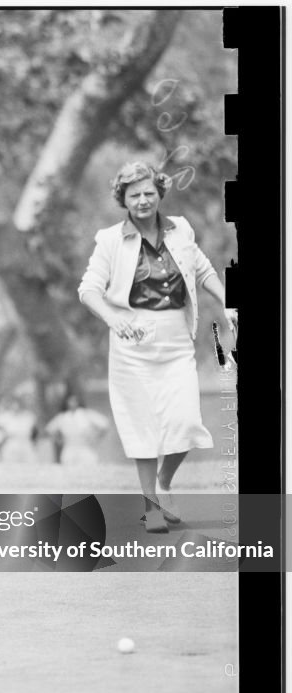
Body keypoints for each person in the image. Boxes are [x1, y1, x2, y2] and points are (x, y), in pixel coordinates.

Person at [78, 161, 236, 532]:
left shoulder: (180, 229)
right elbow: (88, 290)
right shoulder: (110, 240)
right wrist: (113, 319)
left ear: (159, 192)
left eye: (149, 192)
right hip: (132, 345)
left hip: (176, 339)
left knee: (185, 421)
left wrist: (227, 303)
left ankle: (165, 483)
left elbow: (202, 270)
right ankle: (150, 504)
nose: (143, 200)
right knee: (142, 428)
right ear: (124, 199)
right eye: (135, 195)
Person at [45, 393, 110, 466]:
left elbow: (104, 424)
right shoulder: (63, 416)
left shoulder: (86, 414)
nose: (72, 403)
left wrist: (96, 438)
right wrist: (59, 441)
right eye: (70, 401)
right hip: (69, 449)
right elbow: (49, 429)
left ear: (78, 402)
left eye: (74, 401)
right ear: (66, 402)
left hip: (85, 448)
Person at [0, 393, 38, 463]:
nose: (15, 407)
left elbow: (34, 432)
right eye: (13, 405)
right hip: (11, 445)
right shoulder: (5, 416)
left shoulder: (28, 416)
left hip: (26, 445)